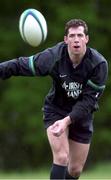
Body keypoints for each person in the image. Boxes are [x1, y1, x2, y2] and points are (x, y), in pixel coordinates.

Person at [0, 19, 108, 179]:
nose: (76, 39)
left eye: (80, 35)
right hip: (56, 110)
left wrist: (67, 121)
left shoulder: (98, 64)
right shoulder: (53, 57)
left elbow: (88, 102)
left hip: (81, 114)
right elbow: (20, 65)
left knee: (75, 170)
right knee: (62, 157)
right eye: (72, 36)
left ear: (86, 39)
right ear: (65, 40)